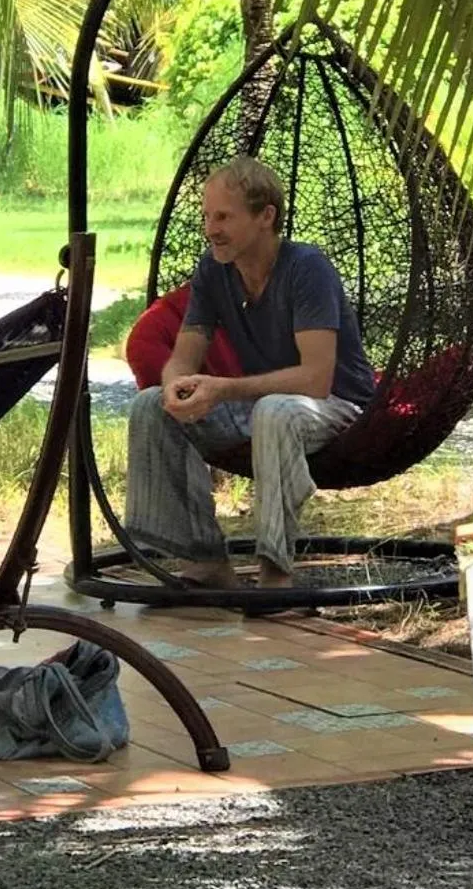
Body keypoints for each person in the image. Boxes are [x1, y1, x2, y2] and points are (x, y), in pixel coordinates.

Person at [124, 156, 375, 588]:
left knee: (274, 411)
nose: (210, 228)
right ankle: (203, 561)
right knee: (150, 406)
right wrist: (174, 389)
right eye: (206, 216)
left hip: (337, 406)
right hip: (265, 406)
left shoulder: (306, 268)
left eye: (223, 216)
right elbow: (185, 353)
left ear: (266, 216)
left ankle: (275, 573)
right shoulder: (214, 269)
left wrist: (223, 389)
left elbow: (315, 380)